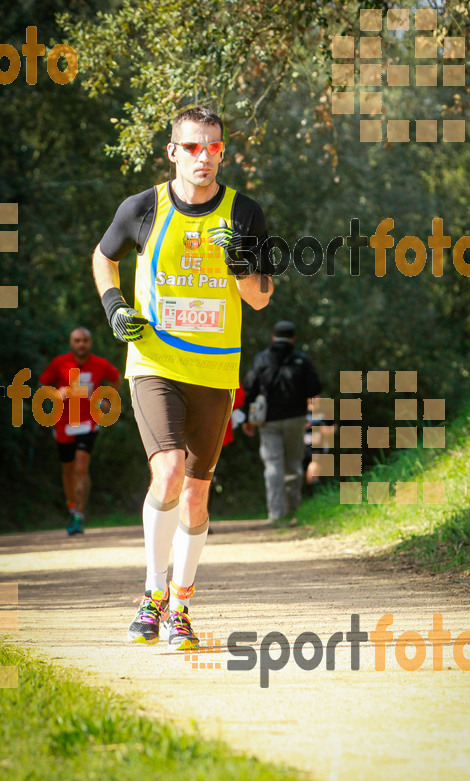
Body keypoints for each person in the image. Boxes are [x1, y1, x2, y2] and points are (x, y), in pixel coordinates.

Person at [92, 106, 273, 650]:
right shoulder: (143, 207)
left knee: (196, 495)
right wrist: (114, 306)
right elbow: (104, 258)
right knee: (167, 472)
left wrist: (241, 265)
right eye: (193, 147)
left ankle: (181, 606)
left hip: (215, 370)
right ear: (173, 151)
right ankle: (151, 598)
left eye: (214, 147)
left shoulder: (245, 212)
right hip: (155, 363)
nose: (204, 156)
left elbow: (262, 299)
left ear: (222, 151)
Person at [39, 327, 121, 535]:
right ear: (71, 343)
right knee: (68, 470)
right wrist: (57, 393)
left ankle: (79, 515)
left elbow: (116, 378)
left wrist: (107, 398)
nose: (81, 344)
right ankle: (72, 507)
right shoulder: (60, 363)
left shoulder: (100, 364)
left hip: (89, 421)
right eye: (77, 340)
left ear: (90, 343)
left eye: (84, 340)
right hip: (63, 423)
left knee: (81, 467)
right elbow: (43, 385)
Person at [242, 321, 322, 526]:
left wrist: (246, 418)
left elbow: (249, 389)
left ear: (272, 337)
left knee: (273, 465)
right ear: (293, 338)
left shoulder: (262, 359)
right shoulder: (302, 360)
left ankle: (276, 515)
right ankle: (294, 511)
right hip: (296, 419)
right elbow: (315, 389)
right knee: (293, 464)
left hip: (268, 421)